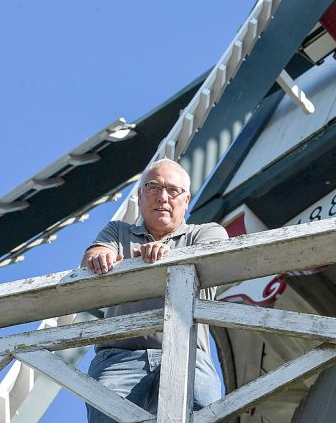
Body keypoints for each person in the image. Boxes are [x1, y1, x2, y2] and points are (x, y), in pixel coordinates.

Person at [80, 158, 227, 422]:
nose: (162, 197)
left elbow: (214, 258)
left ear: (186, 200)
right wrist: (100, 256)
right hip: (120, 357)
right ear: (139, 196)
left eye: (173, 190)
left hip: (188, 356)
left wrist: (166, 256)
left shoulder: (206, 233)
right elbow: (95, 253)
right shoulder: (118, 231)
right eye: (153, 188)